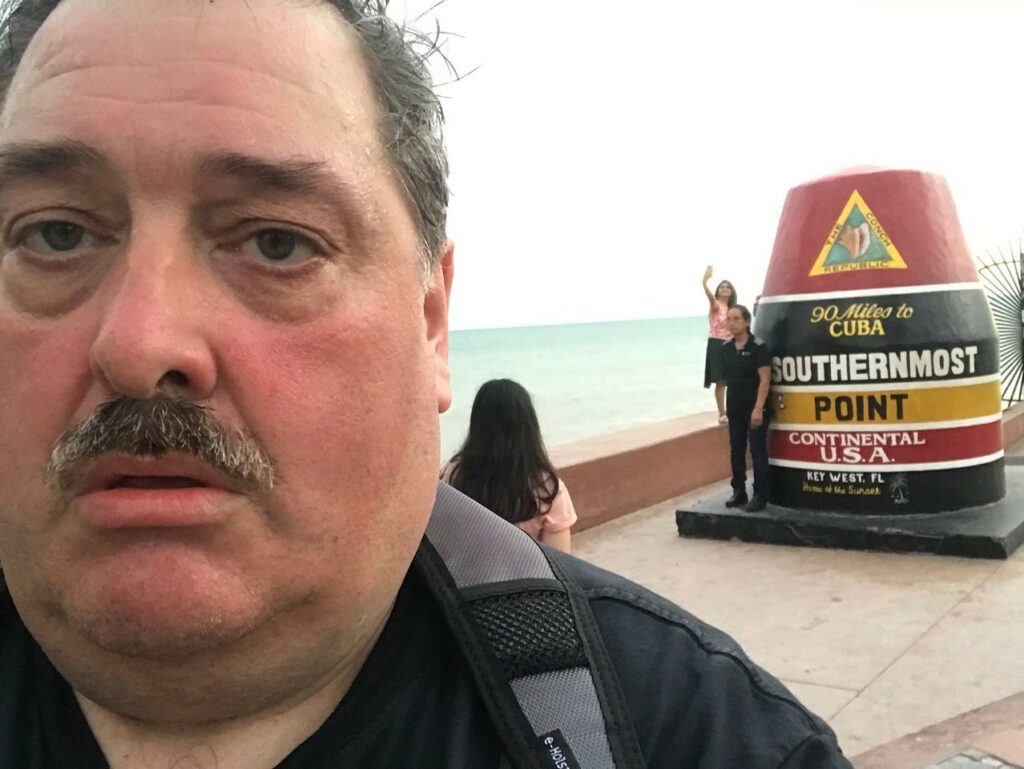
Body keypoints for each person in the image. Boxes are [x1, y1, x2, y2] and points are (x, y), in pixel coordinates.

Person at [0, 1, 853, 767]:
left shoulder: (701, 739)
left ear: (432, 322)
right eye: (55, 232)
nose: (141, 342)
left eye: (277, 243)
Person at [442, 379, 576, 553]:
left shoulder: (452, 476)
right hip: (526, 578)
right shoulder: (547, 489)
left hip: (465, 578)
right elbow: (561, 561)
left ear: (477, 424)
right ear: (529, 426)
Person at [720, 305, 772, 513]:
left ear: (747, 322)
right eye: (728, 319)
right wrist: (722, 410)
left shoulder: (758, 347)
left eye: (735, 319)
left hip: (755, 409)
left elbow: (765, 379)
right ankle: (739, 491)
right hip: (735, 409)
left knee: (758, 452)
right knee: (736, 451)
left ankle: (760, 495)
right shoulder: (724, 348)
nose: (730, 323)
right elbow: (723, 381)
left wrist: (758, 408)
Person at [701, 265, 737, 423]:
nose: (724, 289)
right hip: (716, 344)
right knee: (721, 381)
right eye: (722, 287)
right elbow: (710, 297)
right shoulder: (716, 305)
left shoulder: (732, 309)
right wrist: (705, 282)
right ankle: (722, 413)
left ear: (731, 291)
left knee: (733, 379)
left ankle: (732, 409)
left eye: (727, 287)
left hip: (731, 345)